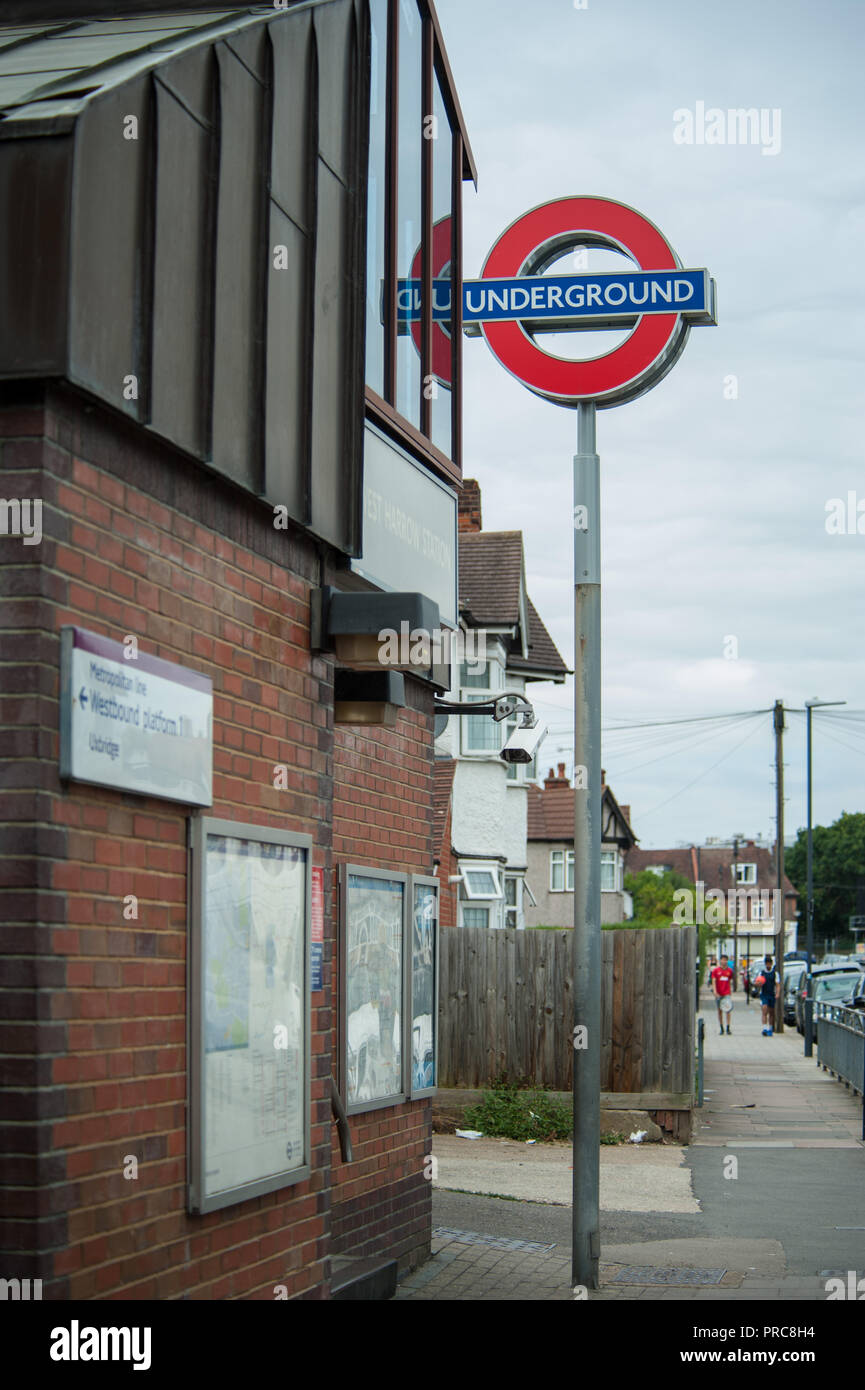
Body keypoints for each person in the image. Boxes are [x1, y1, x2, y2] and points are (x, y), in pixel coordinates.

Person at [710, 954, 734, 1035]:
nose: (724, 961)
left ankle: (728, 1027)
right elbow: (713, 981)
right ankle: (721, 1027)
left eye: (725, 960)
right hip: (719, 993)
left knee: (728, 1010)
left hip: (726, 993)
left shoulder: (729, 971)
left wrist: (730, 991)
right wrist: (715, 991)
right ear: (720, 961)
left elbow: (730, 980)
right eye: (722, 960)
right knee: (719, 1010)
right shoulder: (716, 971)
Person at [759, 955, 779, 1035]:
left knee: (771, 1012)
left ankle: (770, 1028)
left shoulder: (775, 973)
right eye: (767, 963)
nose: (768, 965)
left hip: (772, 994)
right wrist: (758, 984)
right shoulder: (762, 973)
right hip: (764, 994)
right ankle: (764, 1028)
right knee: (764, 1009)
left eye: (769, 963)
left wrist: (777, 993)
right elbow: (757, 983)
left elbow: (778, 984)